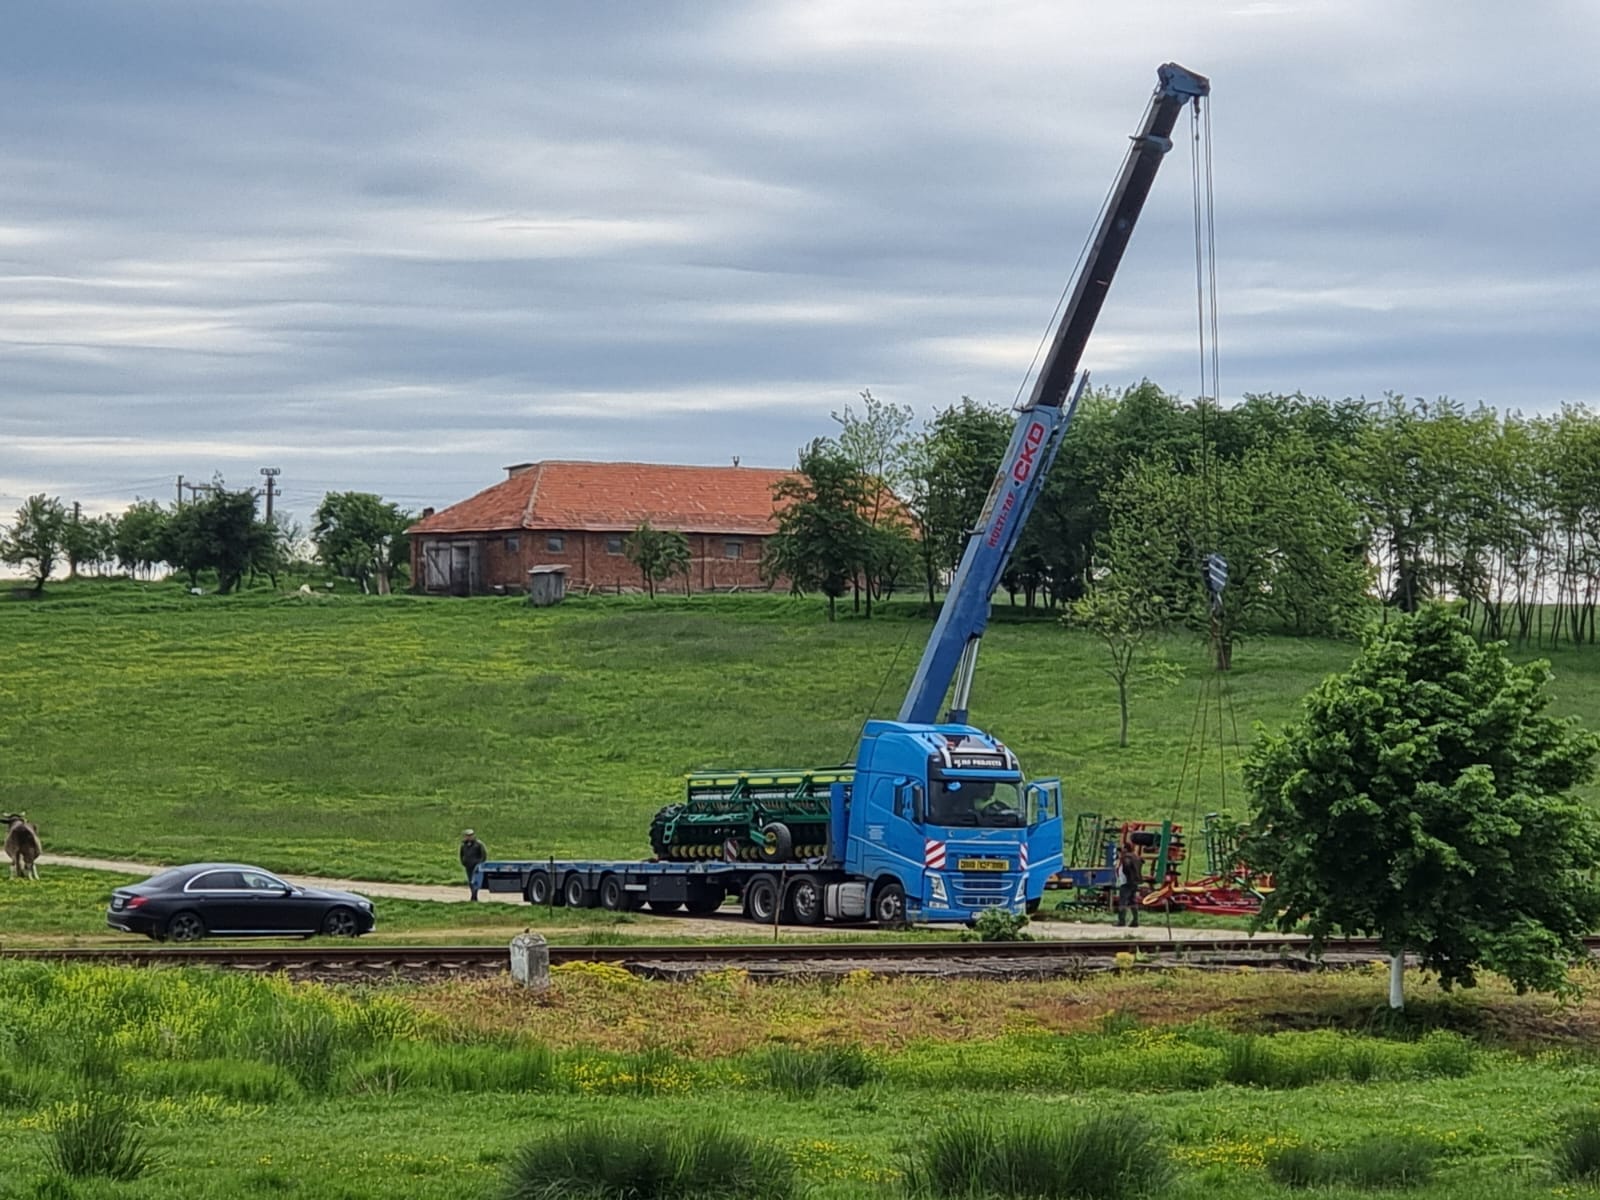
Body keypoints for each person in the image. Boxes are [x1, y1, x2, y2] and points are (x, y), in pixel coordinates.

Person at [1115, 842, 1143, 928]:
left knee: (1123, 901)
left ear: (1126, 849)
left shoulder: (1126, 858)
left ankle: (1121, 921)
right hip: (1134, 882)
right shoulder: (1136, 857)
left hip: (1126, 882)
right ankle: (1135, 920)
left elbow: (1126, 867)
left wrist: (1126, 877)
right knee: (1132, 901)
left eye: (1123, 848)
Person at [460, 829, 487, 901]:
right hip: (468, 866)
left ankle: (474, 895)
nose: (469, 837)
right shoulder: (464, 845)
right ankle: (473, 894)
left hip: (476, 866)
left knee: (475, 881)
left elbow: (483, 855)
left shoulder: (479, 844)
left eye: (470, 835)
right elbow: (461, 854)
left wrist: (479, 863)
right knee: (470, 881)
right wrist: (463, 862)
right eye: (467, 836)